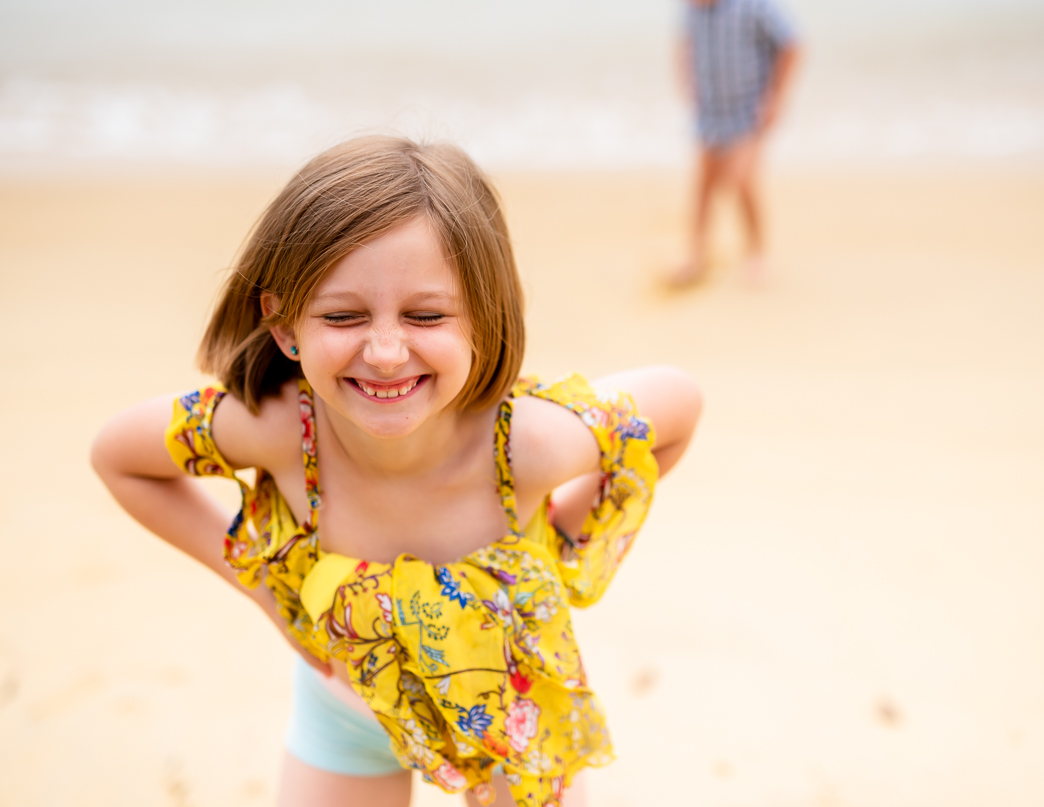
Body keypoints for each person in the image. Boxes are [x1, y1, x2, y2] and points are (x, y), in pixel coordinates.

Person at [91, 135, 702, 807]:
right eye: (343, 315)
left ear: (483, 317)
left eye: (427, 314)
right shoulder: (281, 431)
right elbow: (120, 457)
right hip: (343, 714)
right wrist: (265, 590)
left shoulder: (528, 445)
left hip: (510, 715)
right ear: (285, 323)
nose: (385, 352)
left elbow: (676, 404)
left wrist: (561, 543)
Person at [669, 0, 801, 286]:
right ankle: (696, 253)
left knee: (742, 179)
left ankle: (757, 253)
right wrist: (685, 79)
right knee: (703, 184)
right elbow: (686, 43)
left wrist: (776, 98)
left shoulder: (754, 6)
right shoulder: (691, 9)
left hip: (749, 112)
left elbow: (792, 44)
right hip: (710, 110)